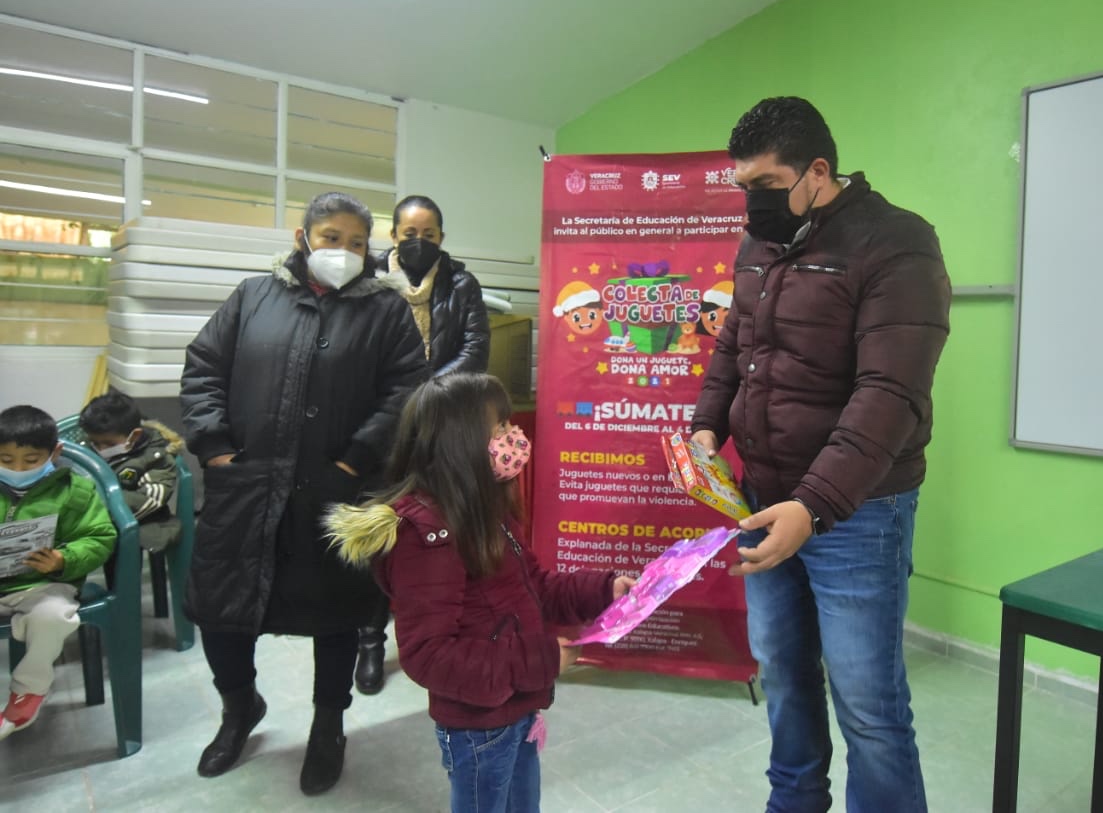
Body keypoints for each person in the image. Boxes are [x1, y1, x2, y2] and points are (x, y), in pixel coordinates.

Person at [690, 97, 951, 813]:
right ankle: (794, 802)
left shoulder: (896, 242)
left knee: (867, 699)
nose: (751, 206)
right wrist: (706, 428)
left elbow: (890, 393)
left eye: (765, 189)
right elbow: (731, 347)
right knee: (784, 672)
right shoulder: (757, 248)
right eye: (741, 188)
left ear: (818, 171)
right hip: (762, 497)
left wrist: (814, 505)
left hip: (857, 511)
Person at [180, 191, 430, 795]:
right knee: (224, 609)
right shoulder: (253, 296)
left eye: (354, 242)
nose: (341, 251)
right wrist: (215, 447)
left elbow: (406, 391)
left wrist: (354, 460)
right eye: (329, 237)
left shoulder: (386, 312)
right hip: (246, 484)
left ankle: (328, 726)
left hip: (335, 488)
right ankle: (239, 709)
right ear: (302, 238)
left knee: (335, 614)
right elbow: (203, 367)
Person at [326, 372, 633, 813]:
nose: (514, 439)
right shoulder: (428, 538)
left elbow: (535, 587)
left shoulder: (484, 509)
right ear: (460, 444)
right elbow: (428, 654)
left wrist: (604, 590)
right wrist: (541, 659)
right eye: (501, 429)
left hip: (517, 706)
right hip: (479, 728)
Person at [358, 194, 491, 695]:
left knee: (437, 532)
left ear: (441, 238)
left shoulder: (462, 282)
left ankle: (438, 632)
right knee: (380, 531)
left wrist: (425, 394)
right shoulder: (367, 284)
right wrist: (396, 399)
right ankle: (370, 639)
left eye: (429, 235)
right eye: (409, 234)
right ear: (393, 236)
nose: (419, 243)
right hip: (378, 430)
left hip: (440, 427)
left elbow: (475, 350)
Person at [0, 405, 116, 739]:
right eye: (5, 461)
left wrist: (63, 559)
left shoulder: (75, 492)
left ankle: (28, 692)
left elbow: (99, 537)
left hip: (42, 585)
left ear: (55, 452)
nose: (17, 469)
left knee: (52, 617)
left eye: (31, 460)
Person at [78, 390, 183, 553]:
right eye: (94, 443)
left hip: (138, 520)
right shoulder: (84, 449)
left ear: (134, 435)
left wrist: (101, 510)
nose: (100, 449)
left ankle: (121, 579)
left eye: (108, 444)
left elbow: (149, 500)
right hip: (90, 515)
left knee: (119, 543)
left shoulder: (155, 458)